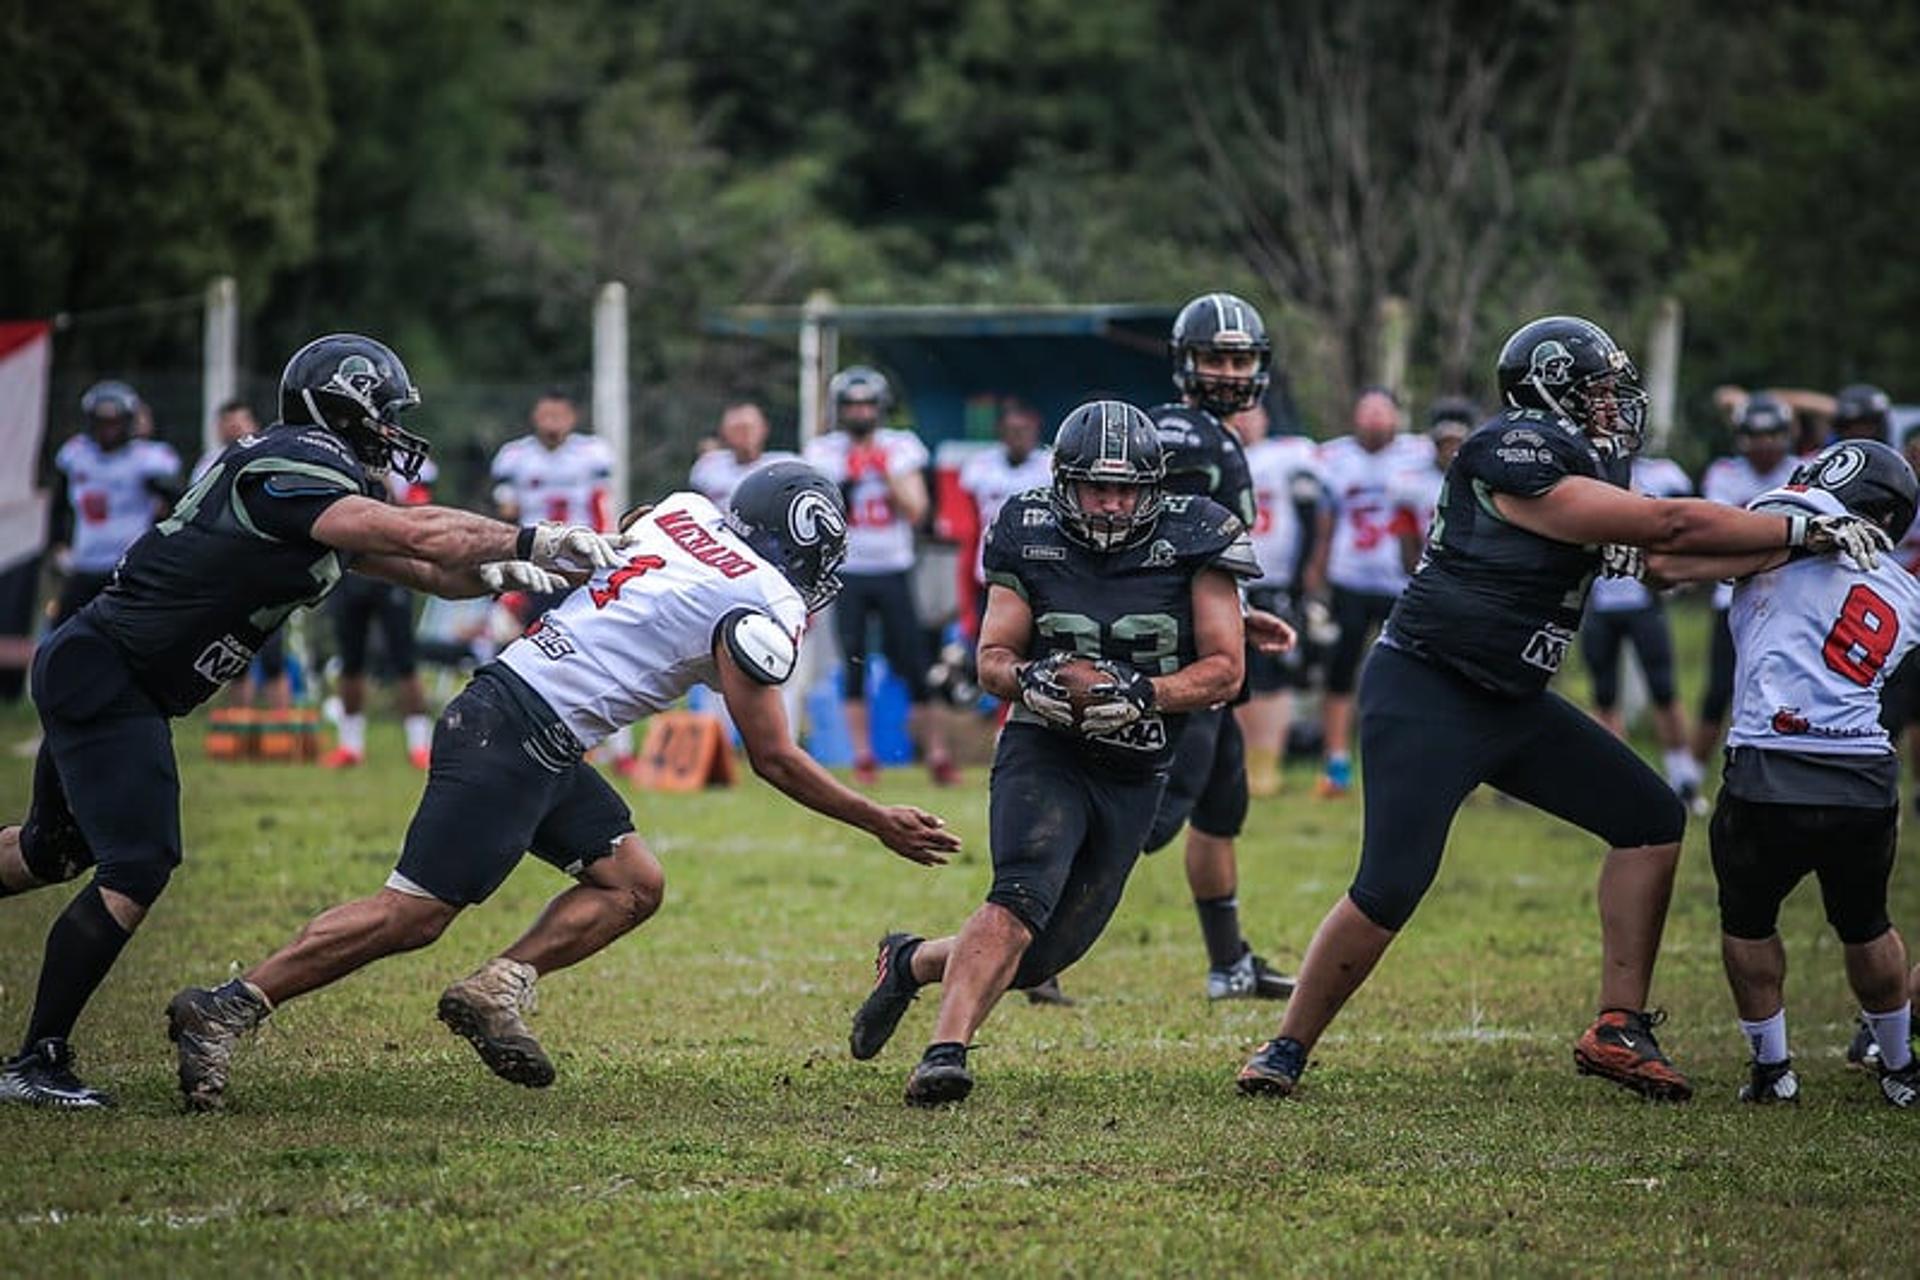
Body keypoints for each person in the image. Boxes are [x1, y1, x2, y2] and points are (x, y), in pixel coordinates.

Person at [1234, 314, 1892, 1104]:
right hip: (1429, 689)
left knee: (1650, 819)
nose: (1615, 406)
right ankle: (1285, 1046)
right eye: (1601, 390)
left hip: (1510, 699)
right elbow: (1670, 524)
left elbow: (1667, 562)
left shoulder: (1578, 466)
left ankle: (1619, 1026)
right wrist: (1801, 523)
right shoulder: (1512, 448)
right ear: (1552, 390)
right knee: (1391, 883)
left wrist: (1805, 546)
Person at [166, 462, 960, 1111]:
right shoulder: (766, 600)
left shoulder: (679, 511)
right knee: (411, 914)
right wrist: (876, 818)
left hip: (525, 718)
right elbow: (774, 757)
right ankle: (229, 1003)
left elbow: (648, 530)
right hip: (515, 732)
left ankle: (496, 986)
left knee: (632, 881)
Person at [0, 333, 621, 1108]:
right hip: (110, 674)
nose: (392, 430)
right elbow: (414, 534)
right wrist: (531, 534)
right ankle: (36, 1059)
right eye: (385, 413)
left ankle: (36, 1055)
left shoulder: (310, 488)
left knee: (50, 851)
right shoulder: (290, 462)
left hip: (115, 672)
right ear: (347, 405)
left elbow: (425, 567)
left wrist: (504, 570)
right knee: (137, 865)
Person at [847, 401, 1258, 1105]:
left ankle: (911, 961)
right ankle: (945, 1053)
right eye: (1096, 486)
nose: (1110, 502)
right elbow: (993, 659)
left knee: (1040, 958)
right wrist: (1033, 678)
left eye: (1126, 488)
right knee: (1020, 891)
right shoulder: (1027, 529)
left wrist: (1142, 692)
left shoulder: (1199, 534)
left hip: (1138, 759)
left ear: (1154, 488)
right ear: (1063, 481)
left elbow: (1226, 669)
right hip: (1048, 742)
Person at [1645, 440, 1920, 1107]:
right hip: (1862, 771)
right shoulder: (1906, 592)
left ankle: (1774, 1069)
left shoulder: (1785, 521)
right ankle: (1899, 1065)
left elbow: (1667, 564)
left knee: (1747, 920)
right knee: (1867, 922)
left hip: (1771, 764)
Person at [1143, 292, 1294, 1000]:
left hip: (1213, 639)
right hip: (1181, 657)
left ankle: (1228, 961)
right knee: (1146, 822)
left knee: (1220, 807)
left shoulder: (1209, 433)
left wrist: (1242, 612)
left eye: (1240, 358)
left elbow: (1199, 555)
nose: (1231, 372)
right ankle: (1032, 951)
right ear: (1186, 361)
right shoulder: (1189, 437)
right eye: (1216, 358)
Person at [803, 366, 954, 785]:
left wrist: (884, 470)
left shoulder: (901, 447)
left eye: (867, 404)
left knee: (915, 663)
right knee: (852, 664)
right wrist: (852, 473)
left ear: (881, 408)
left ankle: (937, 754)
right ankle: (864, 757)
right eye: (852, 405)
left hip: (893, 566)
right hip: (847, 571)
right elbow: (821, 510)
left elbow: (917, 510)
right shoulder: (823, 452)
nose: (860, 412)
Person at [489, 390, 638, 776]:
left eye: (559, 413)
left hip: (581, 566)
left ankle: (619, 747)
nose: (552, 421)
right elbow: (507, 514)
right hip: (534, 566)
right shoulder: (515, 456)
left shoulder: (592, 454)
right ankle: (520, 733)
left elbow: (603, 505)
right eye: (546, 413)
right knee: (517, 644)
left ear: (571, 417)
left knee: (600, 649)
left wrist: (605, 558)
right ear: (535, 416)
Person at [1305, 387, 1431, 797]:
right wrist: (1316, 575)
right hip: (1350, 578)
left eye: (1383, 411)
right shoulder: (1334, 458)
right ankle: (1336, 762)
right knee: (1340, 670)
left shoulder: (1420, 453)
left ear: (1397, 416)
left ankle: (1411, 761)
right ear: (1355, 416)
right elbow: (1325, 523)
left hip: (1402, 582)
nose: (1375, 419)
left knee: (1411, 673)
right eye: (1368, 410)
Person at [1577, 450, 1705, 810]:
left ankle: (1684, 779)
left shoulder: (1663, 474)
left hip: (1643, 602)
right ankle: (1615, 784)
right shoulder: (1585, 472)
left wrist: (1685, 571)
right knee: (1604, 696)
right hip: (1599, 602)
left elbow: (1687, 526)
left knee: (1663, 690)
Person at [1694, 394, 1799, 770]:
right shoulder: (1725, 472)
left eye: (1773, 434)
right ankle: (1691, 776)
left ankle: (1778, 766)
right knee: (1721, 688)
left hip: (1790, 602)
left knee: (1785, 690)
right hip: (1733, 598)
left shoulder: (1803, 469)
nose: (1766, 443)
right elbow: (1719, 531)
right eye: (1757, 435)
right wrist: (1779, 535)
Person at [322, 457, 441, 769]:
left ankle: (419, 744)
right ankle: (350, 745)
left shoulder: (410, 464)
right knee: (350, 660)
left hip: (391, 567)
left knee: (404, 659)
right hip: (351, 565)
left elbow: (417, 516)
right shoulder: (339, 453)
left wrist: (385, 485)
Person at [1236, 395, 1323, 797]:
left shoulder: (1289, 455)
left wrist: (1308, 571)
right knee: (1233, 674)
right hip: (1229, 580)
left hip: (1275, 582)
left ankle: (1266, 763)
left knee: (1275, 675)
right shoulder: (1218, 456)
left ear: (1267, 418)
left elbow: (1318, 511)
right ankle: (1239, 763)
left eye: (1253, 413)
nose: (1245, 422)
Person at [48, 381, 182, 626]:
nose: (108, 430)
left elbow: (177, 501)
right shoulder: (76, 454)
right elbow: (59, 505)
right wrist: (57, 542)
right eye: (102, 422)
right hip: (85, 561)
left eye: (115, 422)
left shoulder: (146, 458)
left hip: (128, 566)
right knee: (59, 635)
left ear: (128, 421)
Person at [195, 401, 292, 711]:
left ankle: (282, 727)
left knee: (275, 653)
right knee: (234, 654)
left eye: (240, 421)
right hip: (227, 568)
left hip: (267, 567)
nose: (235, 428)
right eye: (229, 423)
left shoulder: (272, 457)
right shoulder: (209, 464)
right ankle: (239, 731)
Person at [690, 401, 795, 508]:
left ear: (764, 428)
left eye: (749, 427)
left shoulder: (787, 466)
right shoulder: (709, 467)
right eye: (737, 429)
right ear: (723, 432)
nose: (745, 435)